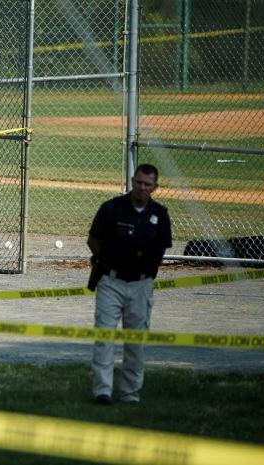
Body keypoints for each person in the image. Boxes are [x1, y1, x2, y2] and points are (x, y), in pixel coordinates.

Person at [87, 164, 172, 404]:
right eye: (138, 182)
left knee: (136, 342)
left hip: (141, 285)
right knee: (105, 337)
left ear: (155, 187)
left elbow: (162, 248)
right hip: (110, 281)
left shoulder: (160, 215)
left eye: (147, 184)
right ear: (132, 181)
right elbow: (92, 239)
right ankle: (102, 391)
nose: (142, 188)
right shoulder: (111, 208)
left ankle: (130, 393)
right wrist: (106, 259)